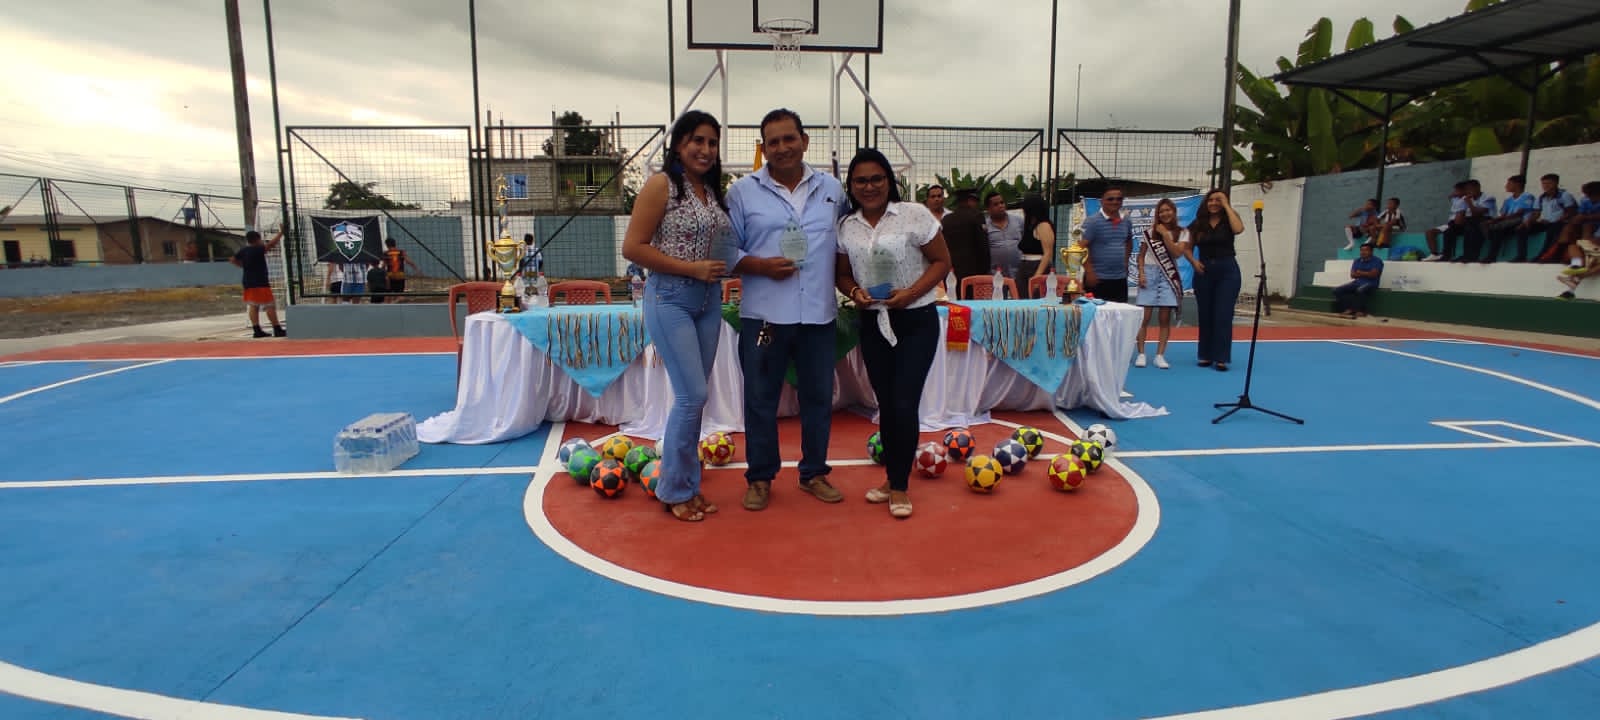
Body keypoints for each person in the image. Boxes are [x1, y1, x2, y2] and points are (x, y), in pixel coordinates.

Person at [726, 108, 849, 512]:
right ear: (763, 148)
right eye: (773, 141)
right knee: (760, 400)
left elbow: (847, 243)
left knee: (818, 398)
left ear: (804, 141)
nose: (782, 148)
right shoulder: (742, 193)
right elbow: (725, 251)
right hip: (764, 317)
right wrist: (761, 266)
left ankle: (814, 473)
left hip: (818, 316)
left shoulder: (832, 189)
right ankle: (760, 477)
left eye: (789, 138)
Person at [620, 110, 731, 522]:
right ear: (679, 144)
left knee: (696, 399)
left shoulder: (712, 191)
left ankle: (689, 485)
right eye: (697, 140)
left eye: (712, 142)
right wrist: (691, 269)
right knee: (692, 396)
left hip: (709, 301)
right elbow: (633, 247)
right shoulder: (661, 185)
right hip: (671, 298)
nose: (705, 149)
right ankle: (673, 489)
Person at [834, 148, 952, 519]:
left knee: (904, 402)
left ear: (889, 181)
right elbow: (842, 274)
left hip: (916, 320)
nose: (869, 187)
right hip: (872, 322)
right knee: (885, 404)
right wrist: (855, 292)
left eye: (876, 179)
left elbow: (942, 262)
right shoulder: (847, 226)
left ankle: (899, 486)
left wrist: (911, 294)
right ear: (851, 186)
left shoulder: (914, 214)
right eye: (860, 181)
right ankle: (892, 478)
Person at [1133, 198, 1199, 369]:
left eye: (1168, 210)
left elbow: (1177, 253)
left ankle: (1160, 355)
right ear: (1158, 214)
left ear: (1174, 212)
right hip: (1149, 273)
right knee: (1144, 318)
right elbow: (1141, 255)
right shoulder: (1149, 232)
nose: (1165, 213)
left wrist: (1165, 235)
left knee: (1164, 318)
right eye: (1161, 211)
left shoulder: (1183, 232)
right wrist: (1141, 273)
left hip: (1168, 276)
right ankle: (1141, 353)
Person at [1188, 189, 1244, 371]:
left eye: (1218, 200)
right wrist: (1193, 261)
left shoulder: (1230, 220)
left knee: (1223, 314)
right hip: (1204, 271)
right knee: (1206, 314)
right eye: (1211, 200)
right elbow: (1186, 246)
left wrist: (1226, 204)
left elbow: (1239, 229)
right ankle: (1205, 355)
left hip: (1227, 271)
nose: (1214, 203)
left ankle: (1221, 358)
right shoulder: (1198, 224)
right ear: (1206, 203)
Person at [1079, 187, 1134, 303]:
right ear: (1102, 201)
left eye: (1119, 199)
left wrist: (1125, 262)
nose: (1115, 202)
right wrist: (1089, 272)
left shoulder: (1126, 221)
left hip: (1119, 279)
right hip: (1097, 279)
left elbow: (1128, 241)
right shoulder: (1092, 222)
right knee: (1095, 312)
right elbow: (1081, 247)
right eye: (1110, 199)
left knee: (1120, 312)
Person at [229, 226, 286, 337]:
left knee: (253, 305)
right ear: (257, 239)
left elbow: (232, 259)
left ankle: (256, 330)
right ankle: (277, 328)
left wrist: (243, 266)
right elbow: (270, 245)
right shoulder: (258, 249)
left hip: (248, 282)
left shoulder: (244, 250)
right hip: (260, 282)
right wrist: (281, 233)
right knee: (269, 305)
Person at [941, 189, 991, 284]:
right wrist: (985, 269)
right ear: (970, 201)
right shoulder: (976, 216)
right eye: (975, 201)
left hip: (951, 272)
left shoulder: (946, 219)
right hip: (973, 271)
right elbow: (983, 245)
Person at [982, 192, 1023, 288]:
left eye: (1002, 202)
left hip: (1018, 274)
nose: (1000, 206)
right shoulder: (985, 226)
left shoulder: (1018, 221)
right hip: (996, 276)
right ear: (988, 209)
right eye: (996, 204)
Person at [1334, 240, 1384, 318]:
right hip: (1357, 282)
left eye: (1366, 250)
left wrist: (1360, 272)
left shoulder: (1377, 261)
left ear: (1371, 251)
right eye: (1361, 250)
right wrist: (1366, 273)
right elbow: (1352, 275)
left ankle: (1361, 311)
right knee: (1337, 290)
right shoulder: (1357, 261)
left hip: (1371, 283)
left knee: (1360, 290)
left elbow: (1374, 275)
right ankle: (1349, 309)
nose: (1363, 252)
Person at [1017, 193, 1057, 285]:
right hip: (1024, 266)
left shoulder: (1043, 225)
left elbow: (1048, 253)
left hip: (1036, 266)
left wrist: (1037, 276)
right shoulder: (1029, 226)